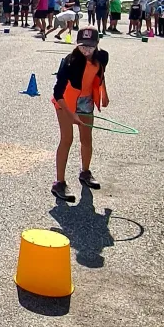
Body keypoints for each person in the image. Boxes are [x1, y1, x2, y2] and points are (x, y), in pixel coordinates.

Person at [51, 28, 109, 202]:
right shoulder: (70, 62)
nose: (86, 50)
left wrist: (104, 93)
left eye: (90, 46)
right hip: (65, 102)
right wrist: (71, 114)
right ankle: (59, 183)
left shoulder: (102, 57)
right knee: (67, 140)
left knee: (86, 139)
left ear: (97, 45)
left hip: (86, 101)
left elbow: (101, 74)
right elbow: (57, 93)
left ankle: (85, 172)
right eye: (83, 46)